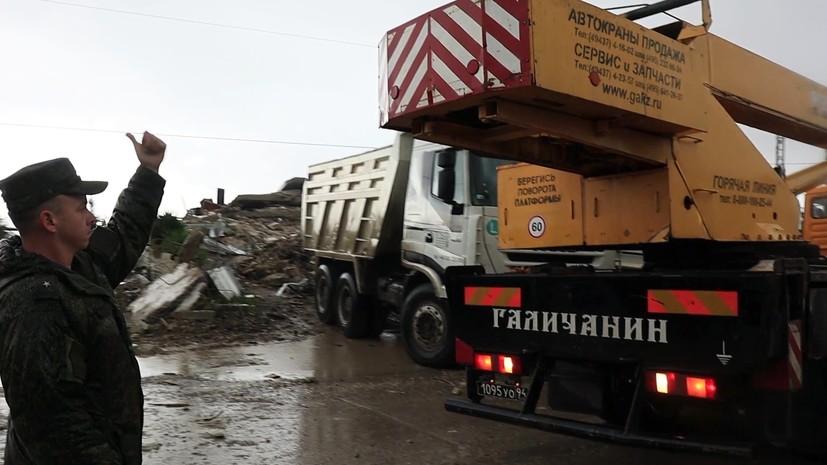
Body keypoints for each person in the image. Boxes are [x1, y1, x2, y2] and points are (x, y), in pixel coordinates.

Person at [0, 131, 167, 464]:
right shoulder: (32, 305)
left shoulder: (80, 265)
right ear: (50, 221)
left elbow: (124, 232)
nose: (92, 217)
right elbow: (55, 427)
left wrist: (148, 172)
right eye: (82, 209)